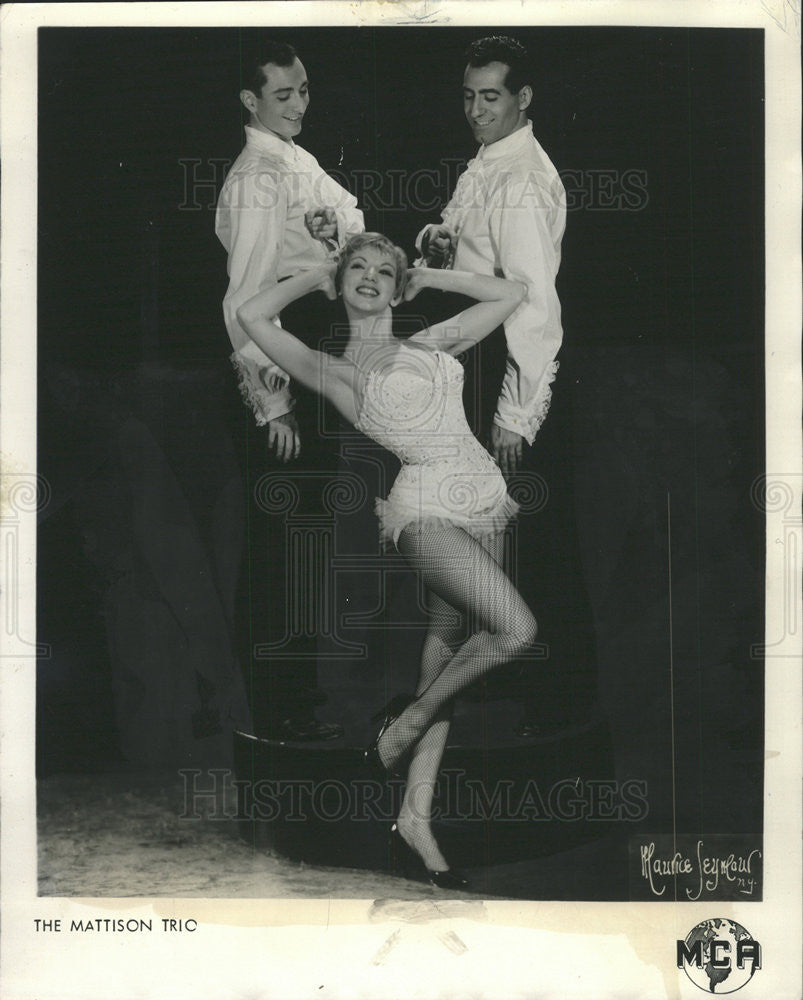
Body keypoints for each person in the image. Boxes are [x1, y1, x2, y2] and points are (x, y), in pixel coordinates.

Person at [237, 232, 537, 887]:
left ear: (397, 287)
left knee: (448, 647)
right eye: (357, 270)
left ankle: (415, 817)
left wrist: (428, 275)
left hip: (486, 497)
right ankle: (404, 724)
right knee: (515, 632)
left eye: (384, 271)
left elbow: (511, 292)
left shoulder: (430, 342)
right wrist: (316, 268)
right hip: (425, 505)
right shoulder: (333, 371)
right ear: (340, 283)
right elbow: (252, 317)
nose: (370, 278)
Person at [215, 41, 364, 741]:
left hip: (313, 348)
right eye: (283, 96)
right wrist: (270, 399)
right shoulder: (256, 178)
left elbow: (346, 223)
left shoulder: (297, 162)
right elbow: (242, 301)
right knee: (281, 538)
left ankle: (296, 702)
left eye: (304, 90)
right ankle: (277, 709)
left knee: (306, 536)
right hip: (278, 355)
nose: (299, 105)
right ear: (251, 102)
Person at [417, 35, 566, 475]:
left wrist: (515, 414)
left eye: (489, 97)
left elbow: (533, 301)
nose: (475, 110)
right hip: (465, 347)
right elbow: (468, 241)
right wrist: (438, 241)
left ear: (523, 97)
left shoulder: (521, 181)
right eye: (468, 96)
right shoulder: (493, 157)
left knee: (486, 511)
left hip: (491, 359)